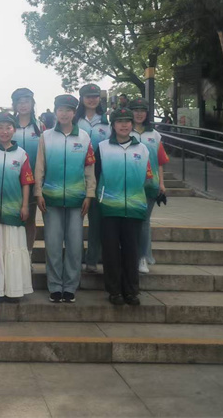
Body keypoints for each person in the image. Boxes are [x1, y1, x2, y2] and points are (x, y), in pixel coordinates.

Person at [34, 94, 96, 303]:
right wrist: (38, 192)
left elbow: (89, 168)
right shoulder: (46, 136)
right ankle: (54, 286)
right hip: (50, 199)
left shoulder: (84, 137)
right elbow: (40, 166)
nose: (64, 114)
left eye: (68, 110)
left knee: (75, 245)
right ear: (55, 111)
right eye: (60, 109)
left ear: (74, 113)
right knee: (52, 244)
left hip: (77, 200)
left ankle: (70, 286)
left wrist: (89, 194)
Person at [95, 107, 153, 306]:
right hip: (110, 206)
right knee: (111, 251)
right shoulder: (102, 148)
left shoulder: (142, 149)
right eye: (119, 122)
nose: (124, 125)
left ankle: (131, 291)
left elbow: (148, 176)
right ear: (113, 125)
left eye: (127, 121)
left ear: (132, 124)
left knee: (131, 250)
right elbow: (96, 175)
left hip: (134, 207)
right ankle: (114, 291)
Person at [0, 112, 35, 301]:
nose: (4, 131)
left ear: (14, 130)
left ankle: (14, 290)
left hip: (14, 210)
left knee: (13, 249)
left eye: (8, 127)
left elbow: (26, 183)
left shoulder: (22, 154)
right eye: (0, 127)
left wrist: (25, 205)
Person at [128, 98, 169, 274]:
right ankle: (130, 255)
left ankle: (142, 257)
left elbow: (160, 161)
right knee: (130, 221)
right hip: (129, 185)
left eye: (142, 110)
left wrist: (161, 183)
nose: (139, 113)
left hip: (150, 185)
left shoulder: (154, 135)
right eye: (135, 110)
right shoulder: (124, 131)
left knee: (144, 221)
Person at [74, 84, 111, 274]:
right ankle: (76, 256)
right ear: (81, 99)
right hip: (75, 174)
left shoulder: (106, 123)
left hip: (99, 174)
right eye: (88, 96)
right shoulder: (75, 120)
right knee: (75, 220)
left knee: (96, 219)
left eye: (95, 96)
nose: (91, 99)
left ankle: (92, 258)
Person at [11, 88, 44, 252]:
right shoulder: (8, 126)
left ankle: (28, 255)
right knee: (11, 219)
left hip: (33, 181)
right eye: (19, 102)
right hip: (11, 181)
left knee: (30, 219)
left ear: (32, 103)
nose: (23, 105)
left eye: (27, 101)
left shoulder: (40, 126)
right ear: (14, 105)